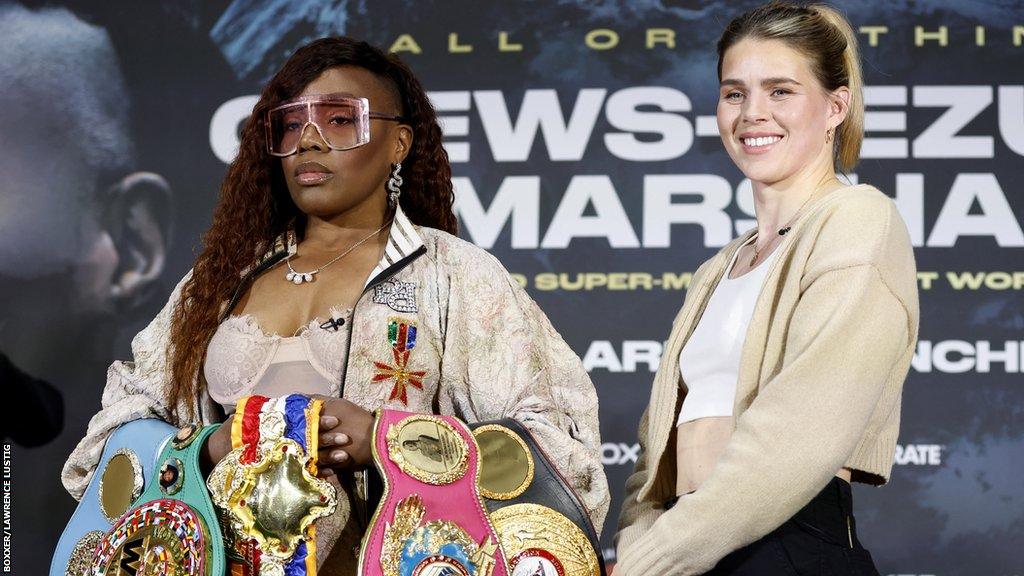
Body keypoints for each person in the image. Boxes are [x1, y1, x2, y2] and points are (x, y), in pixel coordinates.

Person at [62, 36, 608, 572]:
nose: (309, 141)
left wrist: (388, 441)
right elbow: (107, 444)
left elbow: (560, 450)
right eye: (292, 124)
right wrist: (205, 446)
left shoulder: (454, 273)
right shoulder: (217, 282)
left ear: (398, 143)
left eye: (341, 120)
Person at [614, 3, 918, 575]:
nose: (753, 114)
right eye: (734, 93)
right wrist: (635, 549)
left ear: (835, 107)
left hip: (787, 544)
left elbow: (796, 435)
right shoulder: (718, 268)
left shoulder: (858, 220)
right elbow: (656, 456)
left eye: (780, 91)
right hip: (688, 547)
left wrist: (650, 561)